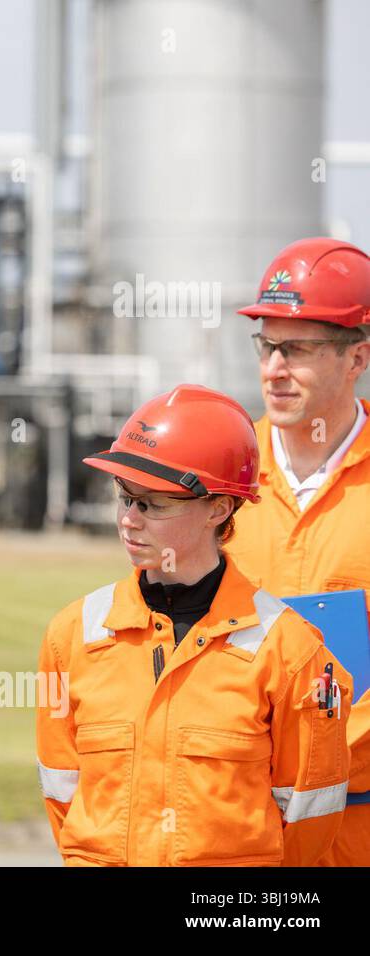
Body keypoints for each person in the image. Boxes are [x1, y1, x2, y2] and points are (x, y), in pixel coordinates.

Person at [36, 384, 350, 866]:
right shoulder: (72, 635)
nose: (129, 520)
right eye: (125, 498)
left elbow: (307, 820)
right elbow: (63, 795)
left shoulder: (291, 650)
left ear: (219, 509)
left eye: (153, 504)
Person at [226, 236, 370, 866]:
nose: (274, 368)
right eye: (267, 346)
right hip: (237, 824)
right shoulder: (220, 472)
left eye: (298, 348)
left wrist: (320, 750)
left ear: (356, 357)